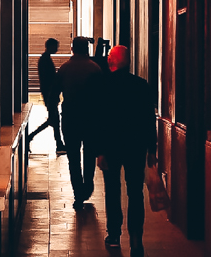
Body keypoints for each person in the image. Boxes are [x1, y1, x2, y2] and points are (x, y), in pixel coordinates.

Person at [94, 45, 157, 257]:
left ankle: (113, 234)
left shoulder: (103, 84)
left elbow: (100, 120)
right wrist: (151, 149)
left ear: (111, 61)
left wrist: (100, 151)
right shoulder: (141, 85)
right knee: (135, 192)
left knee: (112, 190)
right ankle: (136, 238)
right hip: (136, 146)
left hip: (111, 146)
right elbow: (150, 120)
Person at [56, 36, 102, 210]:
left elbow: (54, 93)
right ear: (87, 49)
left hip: (70, 119)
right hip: (91, 120)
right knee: (89, 155)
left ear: (72, 48)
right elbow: (101, 97)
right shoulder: (95, 69)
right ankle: (87, 187)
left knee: (73, 158)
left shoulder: (65, 68)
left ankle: (78, 194)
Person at [27, 38, 66, 154]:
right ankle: (58, 144)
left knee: (53, 121)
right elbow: (48, 80)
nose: (57, 49)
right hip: (50, 95)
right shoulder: (45, 60)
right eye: (56, 46)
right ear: (50, 46)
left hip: (49, 94)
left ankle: (59, 144)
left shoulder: (45, 59)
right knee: (54, 121)